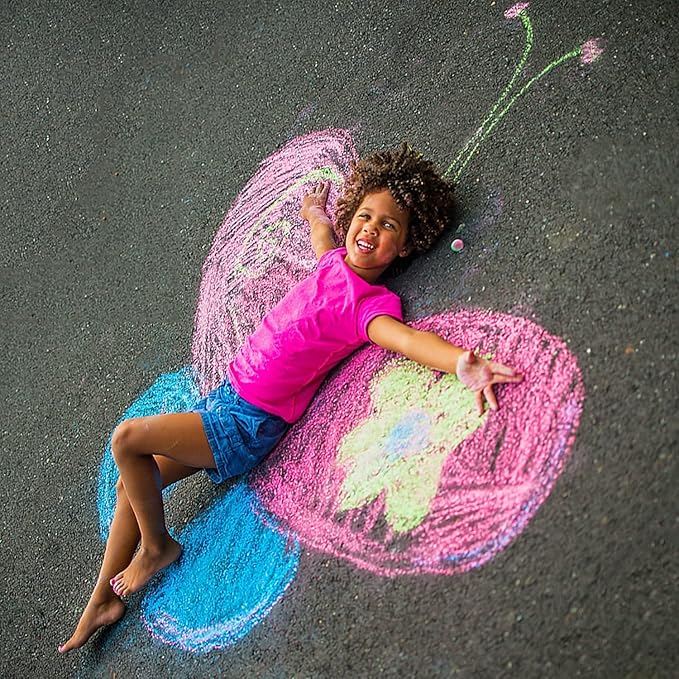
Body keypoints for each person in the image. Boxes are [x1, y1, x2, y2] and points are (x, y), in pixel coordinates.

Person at [59, 144, 522, 653]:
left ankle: (156, 547)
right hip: (226, 399)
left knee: (128, 440)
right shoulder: (334, 262)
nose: (370, 229)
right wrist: (314, 212)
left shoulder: (368, 305)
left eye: (388, 225)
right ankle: (102, 599)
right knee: (131, 485)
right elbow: (323, 237)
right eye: (365, 216)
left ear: (406, 246)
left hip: (245, 423)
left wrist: (461, 363)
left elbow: (408, 340)